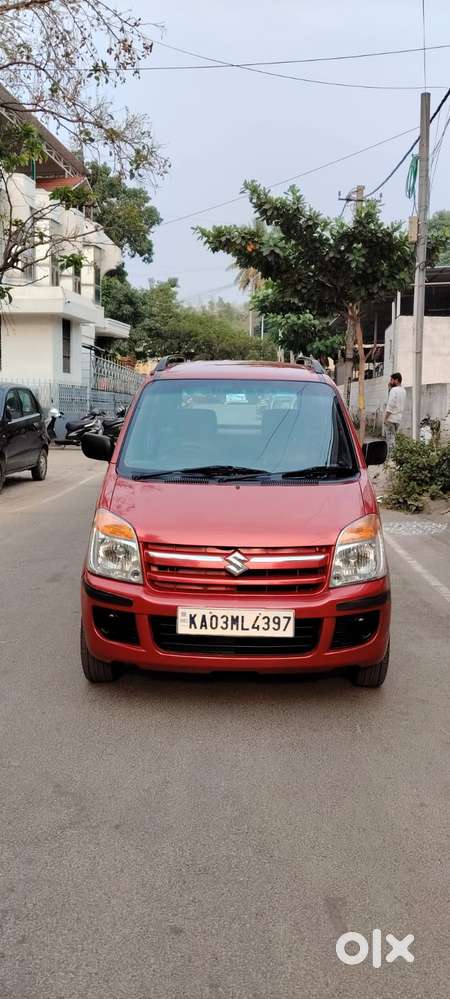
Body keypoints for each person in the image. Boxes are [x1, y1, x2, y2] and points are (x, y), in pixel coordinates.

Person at [384, 372, 406, 457]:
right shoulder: (403, 390)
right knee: (393, 438)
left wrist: (385, 418)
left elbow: (391, 405)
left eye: (391, 380)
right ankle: (393, 456)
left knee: (390, 439)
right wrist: (390, 388)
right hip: (398, 419)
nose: (390, 381)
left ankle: (391, 458)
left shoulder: (394, 390)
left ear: (396, 380)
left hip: (391, 418)